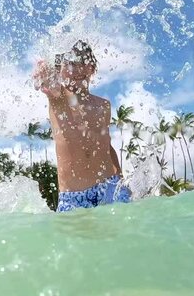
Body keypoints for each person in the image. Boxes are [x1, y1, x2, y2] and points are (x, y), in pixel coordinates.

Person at [33, 40, 131, 212]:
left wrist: (120, 178)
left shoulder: (104, 105)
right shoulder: (59, 99)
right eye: (70, 63)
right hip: (73, 197)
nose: (77, 69)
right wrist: (44, 74)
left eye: (83, 62)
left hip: (109, 186)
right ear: (60, 70)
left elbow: (106, 145)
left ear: (92, 68)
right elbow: (50, 86)